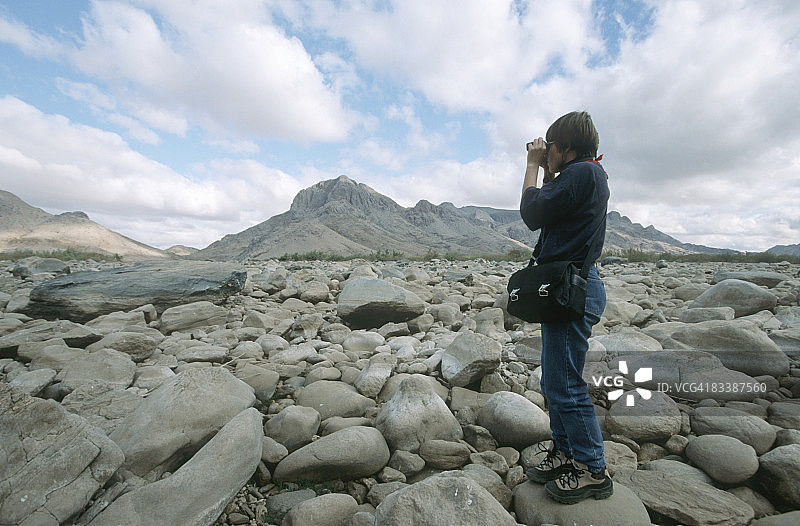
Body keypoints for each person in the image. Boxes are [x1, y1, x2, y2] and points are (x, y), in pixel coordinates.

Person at [519, 111, 612, 504]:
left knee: (566, 384)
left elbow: (532, 213)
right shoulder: (583, 175)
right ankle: (565, 452)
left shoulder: (583, 173)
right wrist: (548, 171)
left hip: (574, 289)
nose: (546, 151)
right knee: (554, 382)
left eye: (550, 145)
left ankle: (593, 469)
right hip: (567, 288)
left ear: (567, 146)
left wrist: (530, 166)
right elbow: (551, 209)